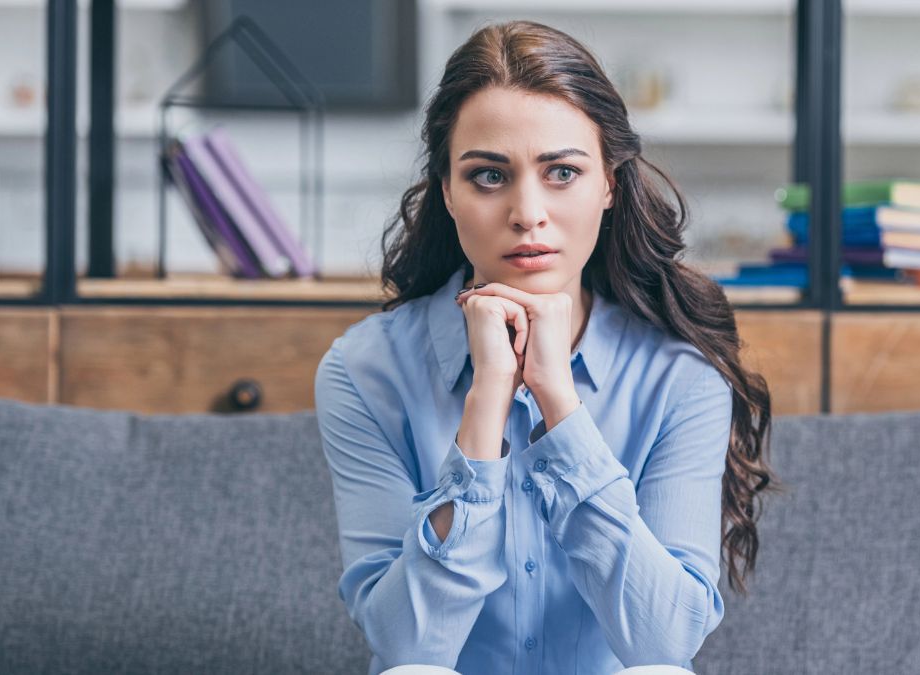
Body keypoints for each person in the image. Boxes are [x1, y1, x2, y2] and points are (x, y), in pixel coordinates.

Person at [314, 20, 777, 675]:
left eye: (561, 171)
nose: (528, 211)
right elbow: (405, 646)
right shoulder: (364, 372)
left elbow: (666, 639)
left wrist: (560, 405)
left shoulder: (680, 376)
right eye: (487, 176)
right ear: (447, 190)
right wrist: (484, 410)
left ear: (610, 183)